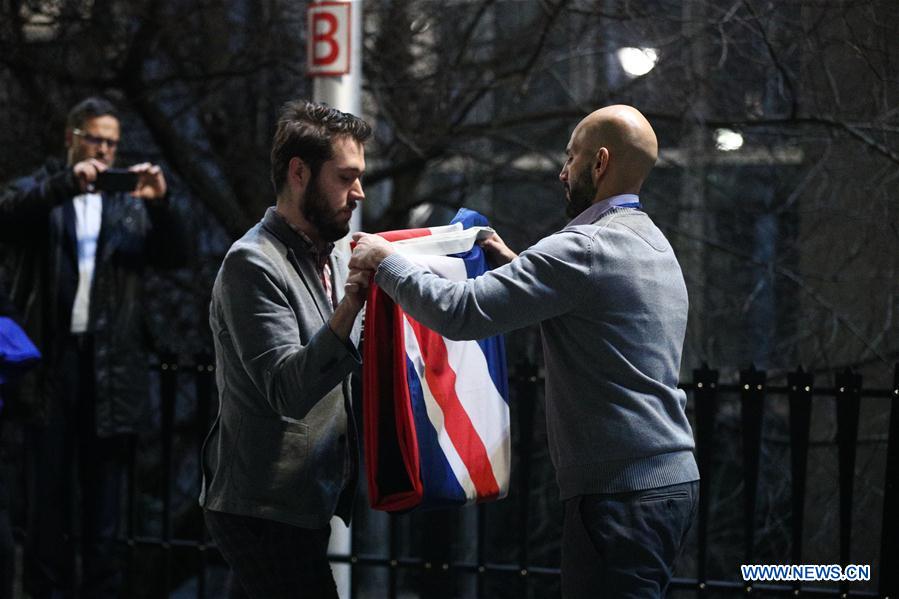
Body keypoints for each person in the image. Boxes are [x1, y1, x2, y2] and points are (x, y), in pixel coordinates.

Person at [350, 105, 699, 597]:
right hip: (670, 484)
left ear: (599, 163)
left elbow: (461, 313)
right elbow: (589, 310)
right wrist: (515, 264)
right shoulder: (655, 246)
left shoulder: (582, 248)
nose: (563, 171)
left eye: (571, 157)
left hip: (618, 494)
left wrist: (387, 261)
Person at [0, 96, 189, 598]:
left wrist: (161, 204)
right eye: (96, 140)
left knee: (106, 514)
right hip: (50, 365)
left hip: (111, 368)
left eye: (112, 143)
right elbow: (7, 214)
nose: (105, 151)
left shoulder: (129, 205)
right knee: (45, 505)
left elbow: (178, 255)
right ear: (72, 138)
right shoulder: (42, 189)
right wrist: (66, 184)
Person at [199, 100, 370, 598]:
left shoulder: (331, 256)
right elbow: (287, 390)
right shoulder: (252, 264)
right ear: (299, 173)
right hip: (262, 506)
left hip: (298, 500)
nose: (358, 192)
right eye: (345, 177)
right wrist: (351, 306)